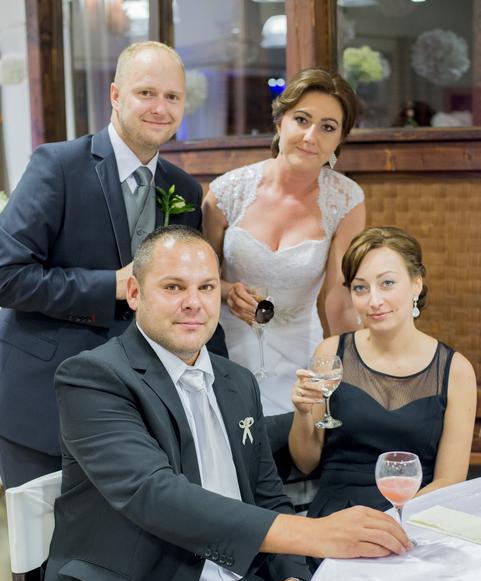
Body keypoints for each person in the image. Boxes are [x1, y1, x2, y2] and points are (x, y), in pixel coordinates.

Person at [28, 226, 410, 581]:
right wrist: (318, 534)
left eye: (206, 287)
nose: (194, 302)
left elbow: (268, 497)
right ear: (134, 292)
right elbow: (156, 495)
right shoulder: (94, 377)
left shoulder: (235, 381)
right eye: (173, 287)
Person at [0, 41, 225, 490]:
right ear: (116, 95)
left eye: (172, 96)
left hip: (142, 410)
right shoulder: (58, 165)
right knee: (46, 534)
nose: (160, 107)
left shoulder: (183, 189)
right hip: (45, 401)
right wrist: (111, 287)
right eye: (146, 93)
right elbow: (7, 276)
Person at [203, 67, 365, 417]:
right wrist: (228, 291)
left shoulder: (346, 200)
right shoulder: (226, 193)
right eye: (301, 120)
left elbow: (338, 297)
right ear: (280, 122)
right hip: (226, 347)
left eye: (327, 127)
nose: (310, 136)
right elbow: (199, 282)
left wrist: (349, 369)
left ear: (340, 139)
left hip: (301, 352)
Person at [289, 226, 477, 529]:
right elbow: (306, 462)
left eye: (387, 283)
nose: (373, 301)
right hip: (337, 519)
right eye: (360, 288)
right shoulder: (332, 353)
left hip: (415, 519)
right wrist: (302, 413)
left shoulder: (455, 371)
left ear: (416, 284)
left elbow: (449, 480)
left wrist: (389, 523)